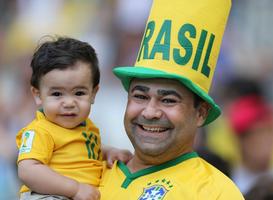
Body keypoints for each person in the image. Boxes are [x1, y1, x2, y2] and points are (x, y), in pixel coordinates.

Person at [98, 0, 244, 199]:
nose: (150, 112)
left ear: (200, 113)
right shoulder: (90, 171)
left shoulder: (215, 192)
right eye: (140, 96)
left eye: (168, 100)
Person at [16, 36, 132, 200]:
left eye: (79, 93)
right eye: (57, 94)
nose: (69, 103)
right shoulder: (40, 131)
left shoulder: (86, 127)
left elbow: (85, 147)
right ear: (38, 95)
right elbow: (28, 170)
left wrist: (109, 152)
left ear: (93, 93)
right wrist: (75, 189)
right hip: (48, 195)